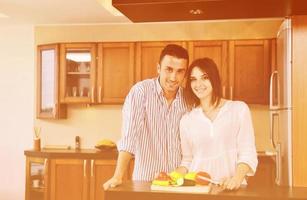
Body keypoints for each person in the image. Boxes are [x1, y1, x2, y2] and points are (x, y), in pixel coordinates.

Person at [103, 44, 189, 190]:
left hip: (179, 184)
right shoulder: (141, 92)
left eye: (180, 71)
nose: (174, 77)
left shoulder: (189, 100)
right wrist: (118, 175)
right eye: (169, 69)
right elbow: (129, 136)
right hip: (146, 183)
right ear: (158, 68)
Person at [176, 57, 258, 190]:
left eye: (204, 77)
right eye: (193, 79)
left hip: (231, 190)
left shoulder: (238, 110)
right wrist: (171, 177)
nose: (198, 84)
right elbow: (187, 160)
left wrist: (236, 179)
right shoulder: (186, 120)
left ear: (214, 79)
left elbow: (247, 152)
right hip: (198, 191)